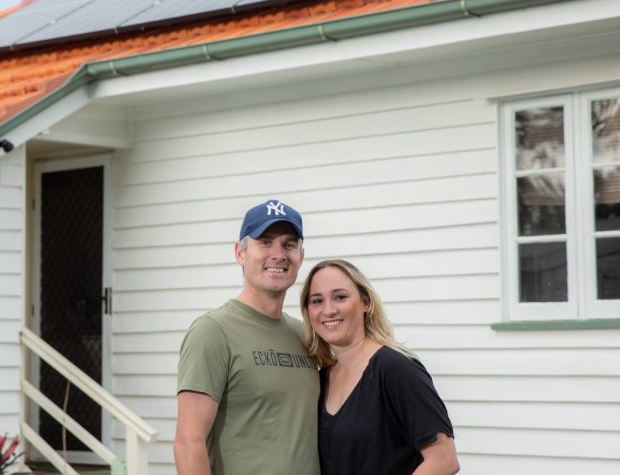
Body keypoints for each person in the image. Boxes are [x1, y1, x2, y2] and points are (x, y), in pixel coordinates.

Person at [174, 199, 320, 475]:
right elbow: (188, 442)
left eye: (289, 244)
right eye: (265, 242)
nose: (278, 254)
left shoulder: (306, 335)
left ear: (300, 257)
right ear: (240, 253)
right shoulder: (212, 331)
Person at [301, 259, 459, 475]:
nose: (328, 310)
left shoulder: (395, 368)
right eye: (317, 300)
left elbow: (444, 460)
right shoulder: (320, 378)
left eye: (340, 297)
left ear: (365, 302)